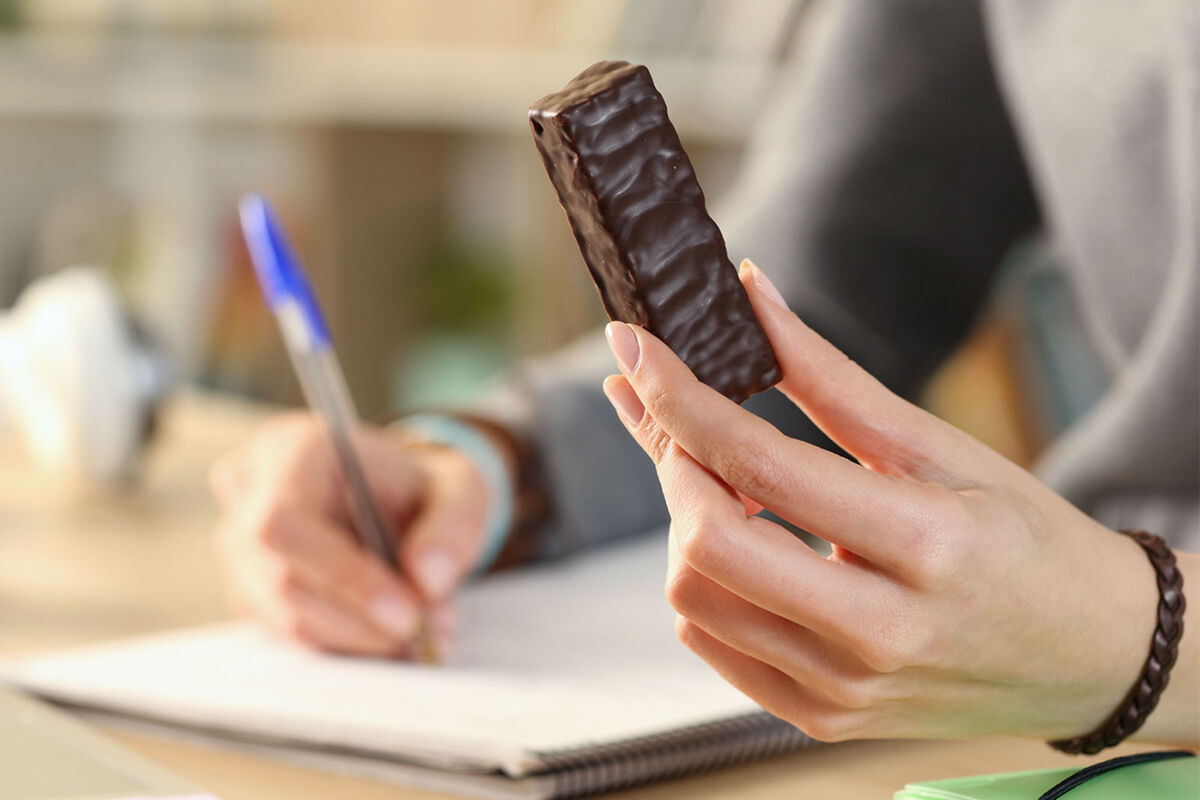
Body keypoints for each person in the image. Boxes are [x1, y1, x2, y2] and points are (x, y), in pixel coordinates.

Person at [209, 0, 1198, 748]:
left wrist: (1136, 631)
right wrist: (491, 467)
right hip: (1072, 714)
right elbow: (817, 299)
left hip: (1099, 673)